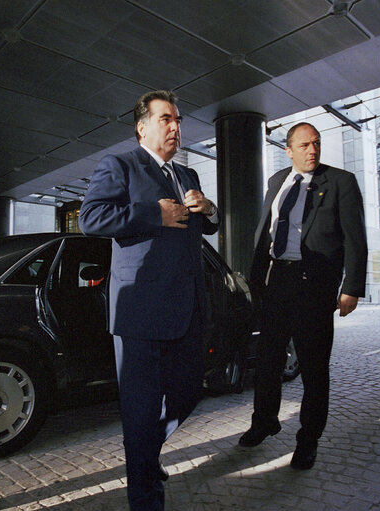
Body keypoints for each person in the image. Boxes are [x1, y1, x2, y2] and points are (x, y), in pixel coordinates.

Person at [79, 90, 219, 511]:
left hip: (186, 308)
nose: (176, 127)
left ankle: (145, 452)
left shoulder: (187, 176)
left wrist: (208, 208)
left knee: (190, 390)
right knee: (139, 416)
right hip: (139, 312)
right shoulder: (120, 165)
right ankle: (145, 495)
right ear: (142, 127)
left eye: (178, 120)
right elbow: (91, 217)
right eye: (166, 119)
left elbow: (207, 229)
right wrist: (153, 215)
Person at [239, 122, 367, 470]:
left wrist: (352, 287)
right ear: (289, 149)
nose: (313, 150)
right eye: (305, 145)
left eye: (317, 144)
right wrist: (255, 280)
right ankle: (264, 421)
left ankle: (308, 440)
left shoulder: (340, 182)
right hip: (276, 282)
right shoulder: (277, 181)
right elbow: (265, 230)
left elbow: (356, 237)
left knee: (313, 369)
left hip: (315, 286)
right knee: (267, 362)